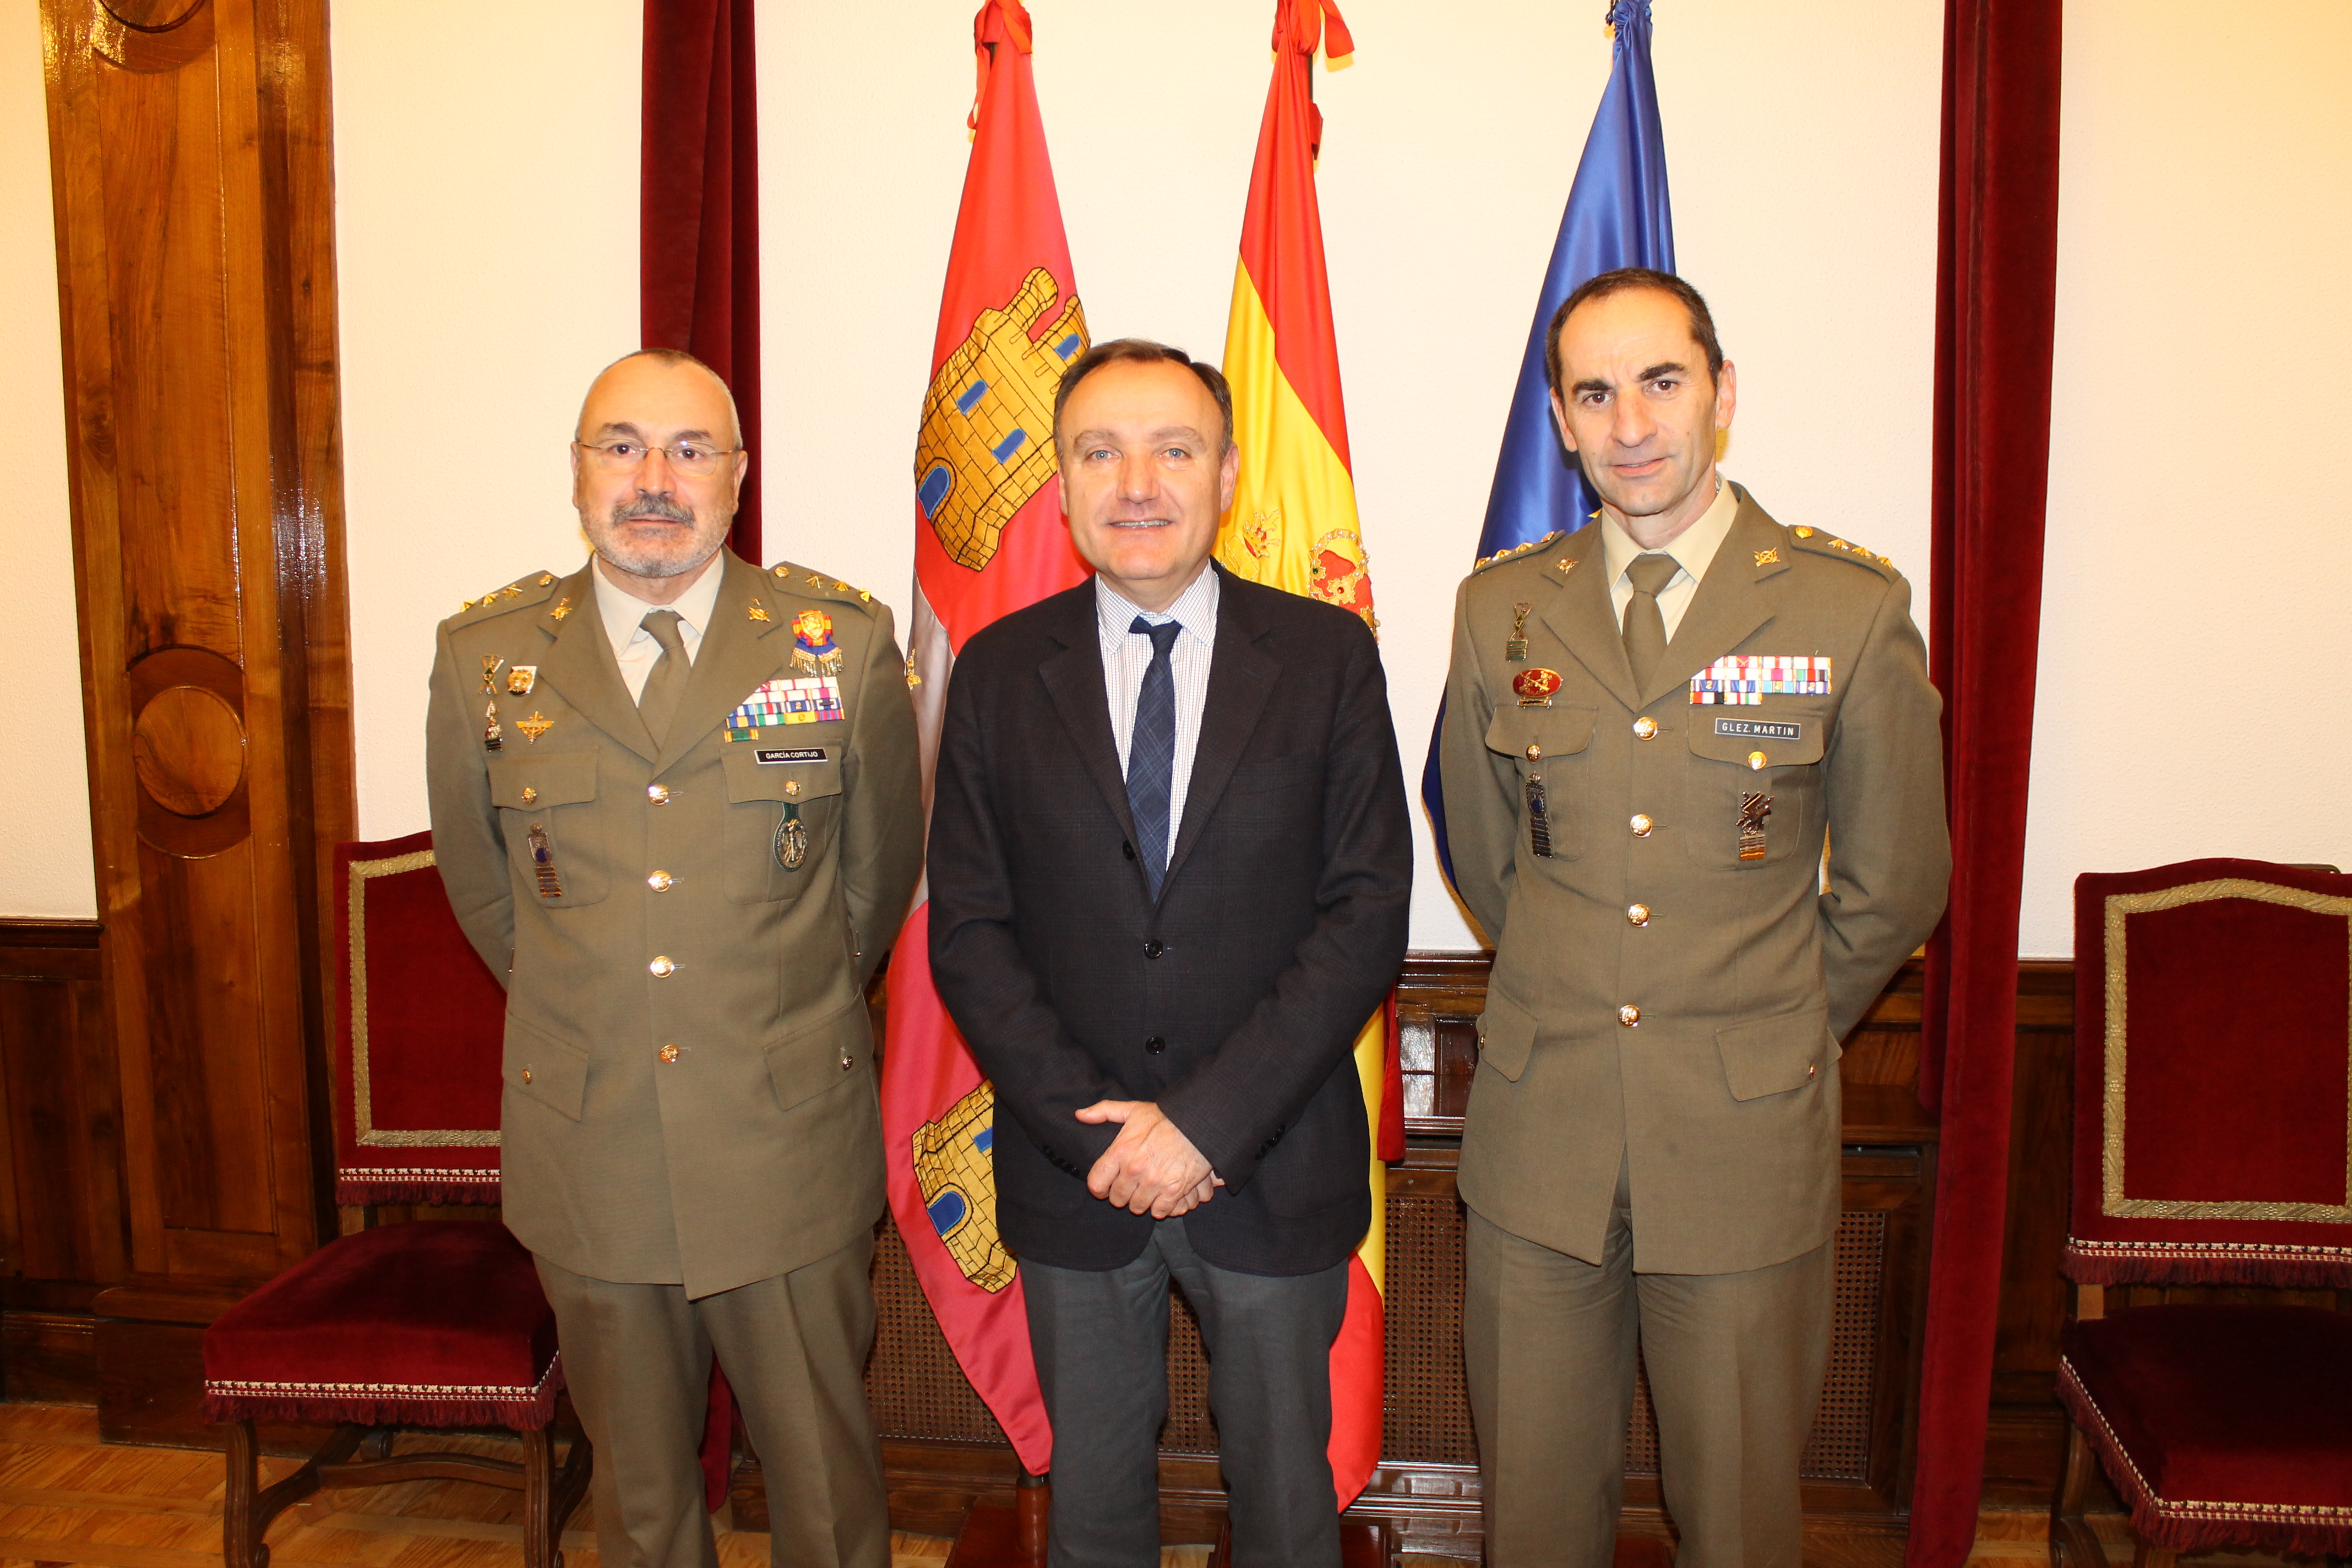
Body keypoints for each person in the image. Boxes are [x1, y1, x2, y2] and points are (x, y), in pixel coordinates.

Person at [1438, 269, 1952, 1568]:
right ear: (1561, 420)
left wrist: (1774, 1025)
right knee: (1533, 1519)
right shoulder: (1501, 608)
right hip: (1542, 1138)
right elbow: (1489, 858)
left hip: (1740, 1143)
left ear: (1723, 392)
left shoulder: (1846, 608)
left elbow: (1896, 878)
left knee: (1736, 1519)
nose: (1631, 425)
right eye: (1594, 393)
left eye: (1661, 382)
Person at [426, 349, 922, 1568]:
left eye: (691, 449)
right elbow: (488, 895)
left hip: (782, 1147)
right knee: (642, 1505)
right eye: (623, 445)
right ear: (578, 471)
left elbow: (872, 887)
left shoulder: (838, 646)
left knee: (826, 1493)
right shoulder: (486, 655)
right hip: (591, 1147)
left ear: (738, 477)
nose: (655, 477)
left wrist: (764, 1010)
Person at [925, 340, 1412, 1568]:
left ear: (1229, 474)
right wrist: (1104, 1136)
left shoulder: (1326, 658)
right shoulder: (997, 671)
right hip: (1074, 1176)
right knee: (1091, 1514)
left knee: (1287, 1512)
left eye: (1173, 450)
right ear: (1062, 482)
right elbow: (970, 933)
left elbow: (1364, 916)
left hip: (1273, 1166)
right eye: (1100, 452)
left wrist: (1203, 1125)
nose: (1136, 483)